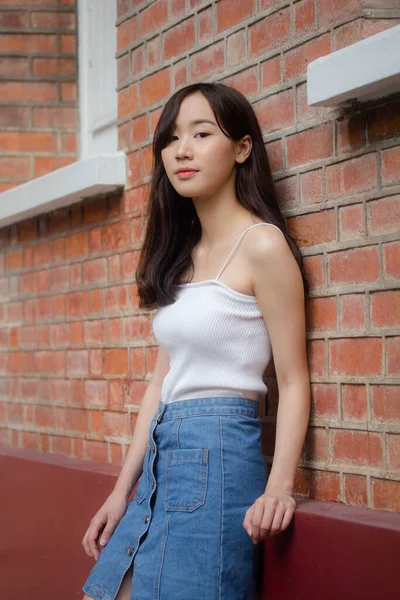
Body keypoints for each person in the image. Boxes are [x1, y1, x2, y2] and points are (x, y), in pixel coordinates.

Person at [81, 82, 311, 600]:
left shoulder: (262, 245)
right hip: (165, 455)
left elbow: (293, 380)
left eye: (202, 133)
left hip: (221, 453)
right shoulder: (181, 258)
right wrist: (122, 490)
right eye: (171, 138)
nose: (181, 150)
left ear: (242, 148)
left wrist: (280, 486)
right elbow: (161, 381)